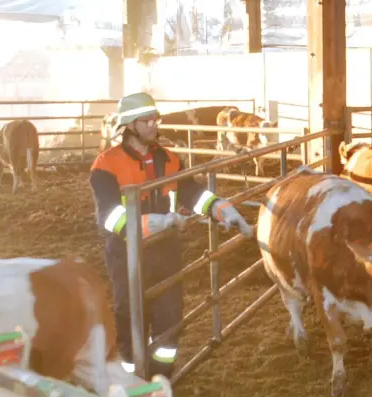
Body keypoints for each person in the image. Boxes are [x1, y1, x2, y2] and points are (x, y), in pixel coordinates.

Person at [91, 92, 253, 377]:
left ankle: (160, 384)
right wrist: (159, 222)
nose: (154, 125)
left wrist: (220, 208)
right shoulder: (106, 165)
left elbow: (190, 191)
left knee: (170, 320)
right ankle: (133, 384)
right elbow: (109, 216)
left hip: (166, 253)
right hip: (127, 256)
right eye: (147, 121)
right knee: (130, 319)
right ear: (130, 125)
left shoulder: (169, 159)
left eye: (156, 119)